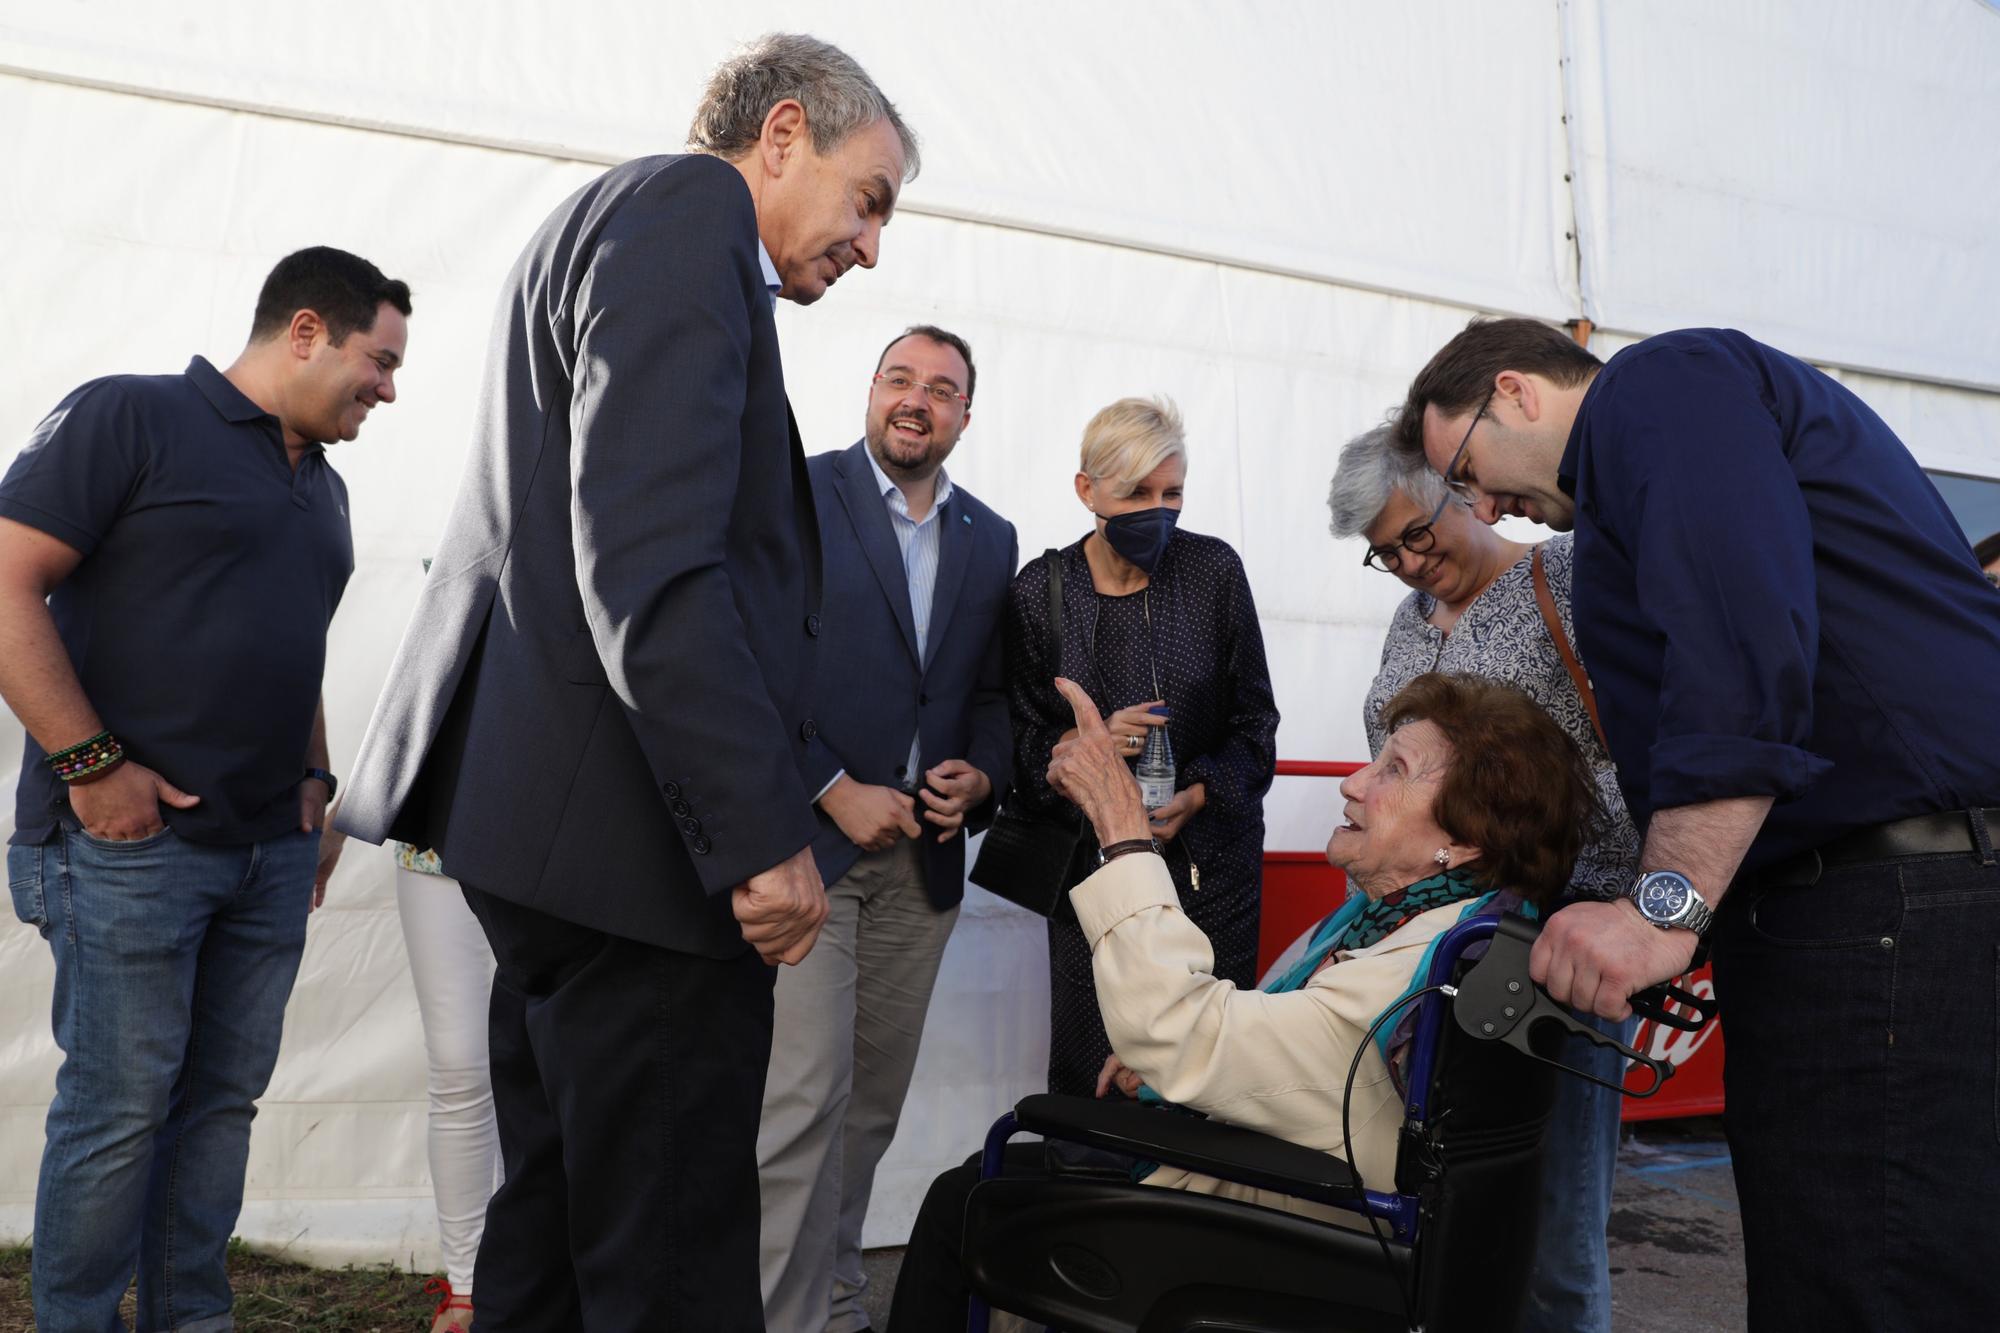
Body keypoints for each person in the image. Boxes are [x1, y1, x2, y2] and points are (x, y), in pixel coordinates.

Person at [332, 34, 917, 1330]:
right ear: (781, 134)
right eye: (869, 199)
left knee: (549, 1232)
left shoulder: (611, 215)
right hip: (635, 870)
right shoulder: (684, 213)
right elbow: (649, 563)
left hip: (552, 849)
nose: (873, 245)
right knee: (667, 1270)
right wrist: (757, 833)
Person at [1394, 318, 2000, 1330]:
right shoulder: (1650, 452)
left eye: (1466, 470)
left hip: (1885, 904)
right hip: (1873, 905)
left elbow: (1737, 629)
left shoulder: (1659, 385)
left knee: (1864, 1283)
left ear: (1516, 391)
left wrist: (1660, 905)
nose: (1486, 507)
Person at [887, 671, 1601, 1328]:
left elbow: (1180, 1027)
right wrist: (1182, 1068)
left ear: (1466, 840)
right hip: (1307, 1199)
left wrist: (1121, 826)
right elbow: (1282, 1048)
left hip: (1291, 1233)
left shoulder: (1417, 964)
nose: (1353, 783)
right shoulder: (1430, 924)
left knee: (971, 1193)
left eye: (1394, 772)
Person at [0, 246, 409, 1332]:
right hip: (127, 848)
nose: (389, 387)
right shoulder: (129, 418)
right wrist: (91, 768)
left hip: (267, 851)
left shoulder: (323, 486)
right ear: (308, 329)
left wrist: (314, 785)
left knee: (219, 1108)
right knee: (121, 1108)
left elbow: (292, 648)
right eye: (379, 359)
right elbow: (5, 579)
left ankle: (189, 1317)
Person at [1327, 421, 1639, 1332]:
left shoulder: (1568, 581)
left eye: (1415, 534)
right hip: (1425, 948)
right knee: (1434, 1202)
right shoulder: (1408, 617)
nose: (1409, 562)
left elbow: (1642, 748)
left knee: (1553, 1223)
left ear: (1463, 489)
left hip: (1552, 945)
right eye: (1384, 554)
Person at [757, 324, 1017, 1333]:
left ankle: (829, 1303)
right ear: (870, 391)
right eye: (899, 379)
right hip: (809, 851)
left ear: (963, 412)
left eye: (940, 388)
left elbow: (989, 692)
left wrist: (980, 774)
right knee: (800, 1104)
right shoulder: (797, 493)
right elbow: (752, 659)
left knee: (865, 1112)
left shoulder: (990, 537)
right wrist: (829, 786)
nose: (916, 400)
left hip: (923, 865)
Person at [1003, 396, 1278, 1100]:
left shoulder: (1214, 573)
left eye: (1173, 492)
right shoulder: (1042, 590)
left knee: (1201, 1078)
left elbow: (1257, 727)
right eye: (1136, 492)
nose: (1159, 510)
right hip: (1092, 887)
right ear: (1087, 489)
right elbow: (1020, 742)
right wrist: (1081, 748)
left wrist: (1199, 791)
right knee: (1092, 1077)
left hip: (1209, 879)